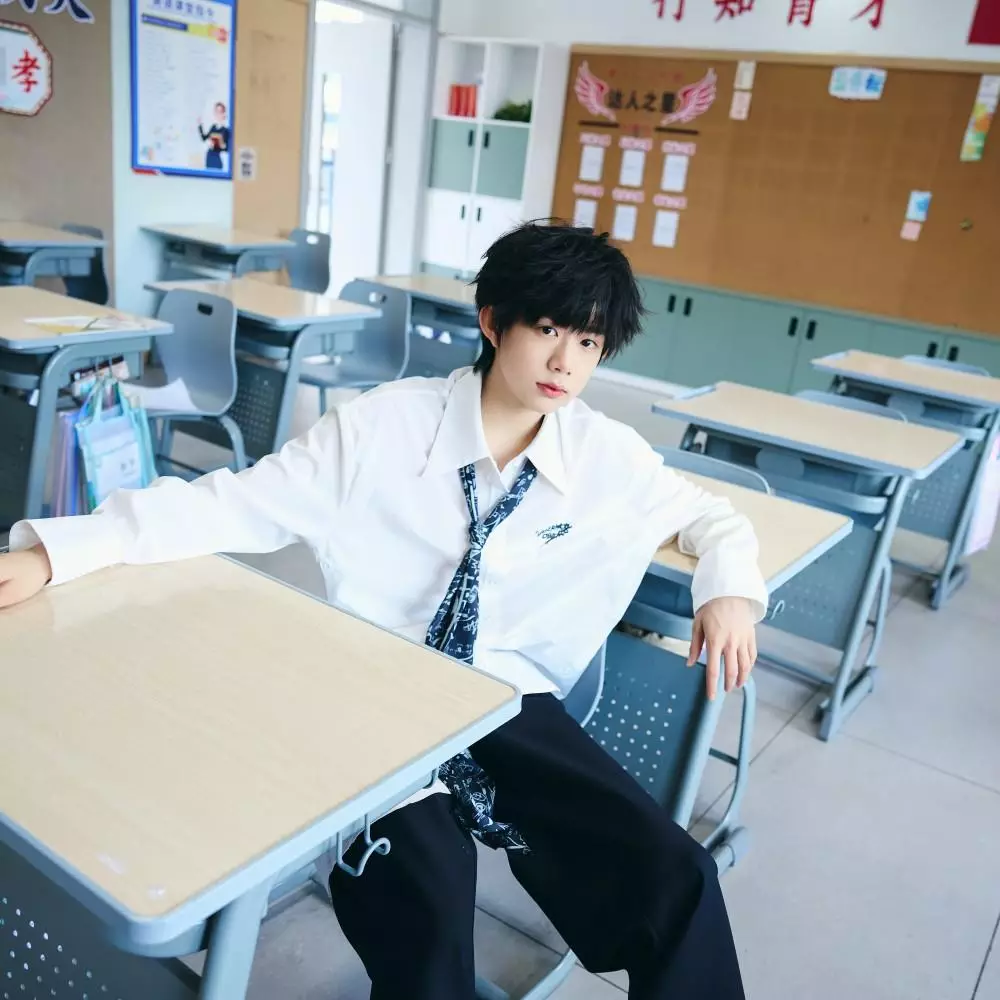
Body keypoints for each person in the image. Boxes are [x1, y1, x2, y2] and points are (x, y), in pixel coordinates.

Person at [0, 222, 766, 999]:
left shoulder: (603, 453)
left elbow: (713, 517)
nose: (566, 361)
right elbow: (224, 504)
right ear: (493, 321)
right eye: (547, 329)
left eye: (590, 342)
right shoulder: (384, 427)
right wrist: (55, 554)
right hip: (372, 704)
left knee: (678, 879)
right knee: (430, 940)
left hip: (506, 699)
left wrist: (729, 589)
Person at [197, 101, 230, 171]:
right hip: (209, 157)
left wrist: (220, 145)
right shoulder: (213, 127)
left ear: (224, 113)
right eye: (216, 112)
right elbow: (204, 138)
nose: (218, 114)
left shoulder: (226, 130)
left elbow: (227, 148)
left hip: (217, 158)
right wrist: (200, 125)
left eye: (220, 112)